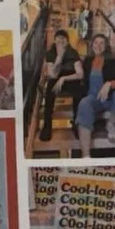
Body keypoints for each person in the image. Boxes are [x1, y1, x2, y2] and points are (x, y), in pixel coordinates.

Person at [74, 43, 115, 159]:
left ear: (106, 47)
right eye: (96, 42)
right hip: (93, 99)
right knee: (84, 104)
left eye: (101, 43)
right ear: (92, 45)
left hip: (111, 97)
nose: (98, 45)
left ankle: (111, 124)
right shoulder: (87, 62)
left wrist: (109, 83)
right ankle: (86, 156)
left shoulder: (114, 62)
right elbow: (79, 78)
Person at [33, 20, 85, 148]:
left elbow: (80, 74)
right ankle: (47, 125)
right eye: (58, 40)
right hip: (55, 77)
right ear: (54, 41)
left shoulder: (73, 52)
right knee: (49, 92)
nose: (61, 42)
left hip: (70, 78)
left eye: (63, 40)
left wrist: (64, 79)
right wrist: (59, 58)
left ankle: (77, 124)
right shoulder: (50, 53)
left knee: (80, 92)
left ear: (67, 42)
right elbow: (52, 75)